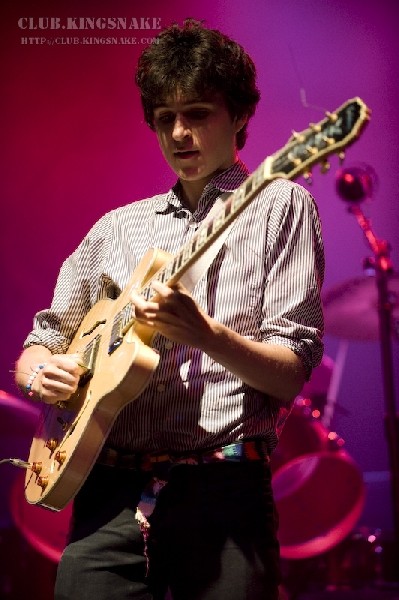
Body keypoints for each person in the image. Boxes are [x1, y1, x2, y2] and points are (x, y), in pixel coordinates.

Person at [15, 18, 324, 600]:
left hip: (224, 491)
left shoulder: (280, 204)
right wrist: (41, 374)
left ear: (240, 118)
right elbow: (43, 341)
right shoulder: (115, 228)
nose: (180, 132)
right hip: (107, 491)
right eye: (165, 118)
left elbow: (289, 374)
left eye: (199, 113)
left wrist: (204, 333)